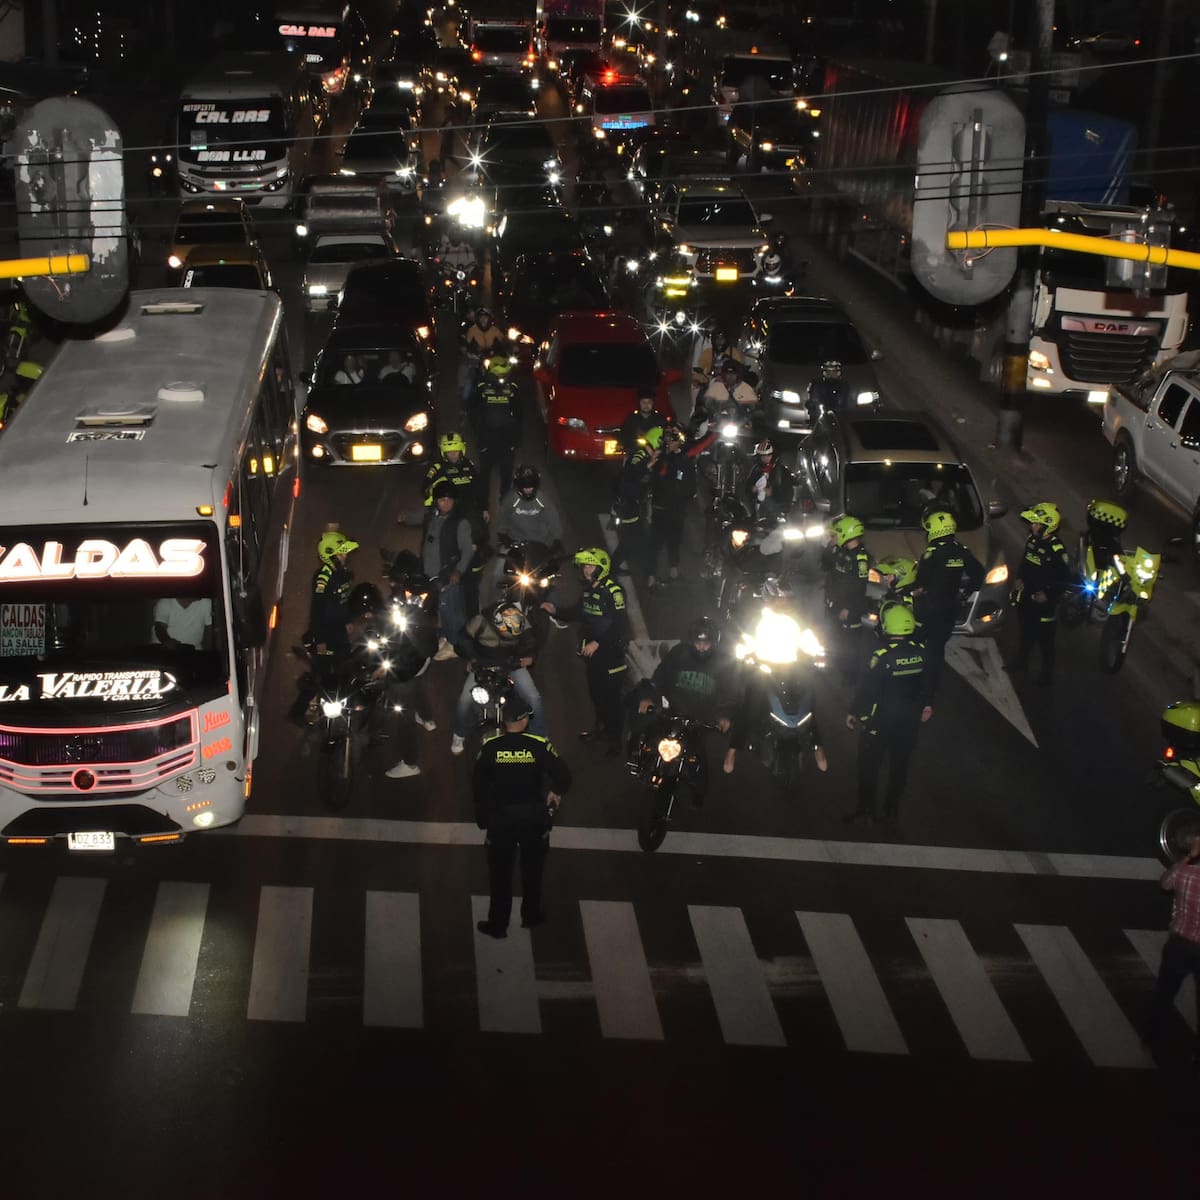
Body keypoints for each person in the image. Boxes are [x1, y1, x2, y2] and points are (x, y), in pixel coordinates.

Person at [473, 685, 572, 939]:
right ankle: (531, 916)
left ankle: (498, 924)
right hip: (534, 818)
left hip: (501, 820)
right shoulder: (539, 745)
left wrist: (483, 818)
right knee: (532, 872)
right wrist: (555, 792)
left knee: (500, 876)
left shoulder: (491, 746)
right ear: (524, 720)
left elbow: (478, 784)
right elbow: (563, 775)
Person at [844, 604, 933, 828]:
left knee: (868, 765)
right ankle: (891, 809)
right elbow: (927, 684)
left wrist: (854, 712)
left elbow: (867, 690)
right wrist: (927, 705)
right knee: (899, 766)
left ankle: (866, 810)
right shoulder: (921, 651)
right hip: (909, 722)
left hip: (880, 721)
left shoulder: (882, 656)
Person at [540, 548, 629, 755]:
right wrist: (556, 610)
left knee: (612, 700)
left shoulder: (613, 590)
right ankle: (600, 729)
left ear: (601, 568)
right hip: (593, 656)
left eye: (590, 566)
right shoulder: (589, 590)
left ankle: (615, 741)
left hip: (611, 656)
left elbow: (619, 624)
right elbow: (578, 612)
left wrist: (598, 642)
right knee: (596, 695)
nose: (587, 570)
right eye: (585, 566)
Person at [635, 616, 740, 781]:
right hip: (673, 711)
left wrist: (723, 715)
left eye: (706, 644)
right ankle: (639, 760)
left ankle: (699, 790)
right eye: (698, 643)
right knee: (648, 734)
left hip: (701, 719)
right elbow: (661, 676)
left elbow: (730, 691)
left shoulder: (723, 663)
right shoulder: (679, 653)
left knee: (699, 757)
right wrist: (648, 697)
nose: (702, 648)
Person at [451, 600, 546, 754]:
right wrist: (472, 659)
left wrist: (530, 657)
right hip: (483, 664)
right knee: (464, 699)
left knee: (533, 697)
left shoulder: (519, 619)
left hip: (511, 663)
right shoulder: (479, 621)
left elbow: (531, 641)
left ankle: (541, 735)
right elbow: (462, 640)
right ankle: (459, 732)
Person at [397, 480, 474, 660]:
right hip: (428, 572)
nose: (445, 503)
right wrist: (404, 517)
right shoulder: (431, 514)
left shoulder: (460, 523)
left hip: (447, 575)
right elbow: (416, 516)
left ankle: (454, 644)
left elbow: (468, 550)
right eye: (441, 500)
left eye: (448, 500)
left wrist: (458, 572)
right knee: (437, 607)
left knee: (450, 610)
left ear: (454, 501)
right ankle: (445, 637)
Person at [1142, 833, 1200, 1070]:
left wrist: (1189, 856)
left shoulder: (1186, 874)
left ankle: (1151, 1039)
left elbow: (1165, 883)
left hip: (1179, 945)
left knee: (1164, 994)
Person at [381, 552, 440, 780]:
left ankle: (410, 761)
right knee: (417, 685)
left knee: (403, 715)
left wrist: (388, 669)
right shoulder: (428, 594)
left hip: (407, 665)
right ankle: (427, 718)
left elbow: (399, 643)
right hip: (421, 663)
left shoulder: (411, 608)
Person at [913, 509, 984, 697]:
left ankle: (916, 683)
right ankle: (931, 688)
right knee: (937, 648)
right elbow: (979, 574)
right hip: (950, 608)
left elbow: (920, 581)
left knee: (916, 643)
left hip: (929, 609)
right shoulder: (961, 550)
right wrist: (964, 594)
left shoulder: (932, 553)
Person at [1012, 501, 1073, 686]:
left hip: (1044, 604)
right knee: (1026, 632)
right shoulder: (1031, 541)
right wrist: (1019, 579)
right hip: (1027, 598)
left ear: (1048, 526)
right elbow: (1025, 564)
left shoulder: (1057, 551)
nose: (1032, 527)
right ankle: (1021, 663)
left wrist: (1048, 595)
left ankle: (1046, 677)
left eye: (1036, 524)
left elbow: (1064, 580)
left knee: (1045, 642)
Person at [489, 464, 566, 607]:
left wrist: (556, 541)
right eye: (525, 487)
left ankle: (556, 611)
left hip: (540, 544)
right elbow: (501, 521)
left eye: (531, 487)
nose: (528, 490)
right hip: (515, 543)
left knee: (551, 579)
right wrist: (504, 536)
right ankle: (495, 607)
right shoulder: (510, 500)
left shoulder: (543, 500)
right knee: (497, 574)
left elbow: (555, 522)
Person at [823, 514, 871, 684]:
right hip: (837, 603)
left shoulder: (860, 558)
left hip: (850, 607)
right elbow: (826, 565)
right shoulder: (842, 552)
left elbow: (858, 586)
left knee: (850, 644)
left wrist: (848, 608)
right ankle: (839, 670)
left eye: (836, 534)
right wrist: (830, 547)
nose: (834, 536)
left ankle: (850, 678)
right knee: (837, 639)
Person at [468, 353, 521, 505]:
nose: (501, 377)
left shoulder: (513, 388)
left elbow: (518, 415)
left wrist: (515, 441)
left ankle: (505, 504)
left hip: (506, 439)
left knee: (506, 474)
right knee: (484, 474)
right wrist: (479, 434)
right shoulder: (482, 387)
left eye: (504, 374)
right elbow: (472, 411)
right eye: (498, 373)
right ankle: (483, 505)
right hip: (487, 438)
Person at [648, 423, 696, 589]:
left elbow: (691, 485)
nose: (671, 442)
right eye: (669, 439)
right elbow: (656, 479)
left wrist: (684, 493)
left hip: (677, 509)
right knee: (655, 543)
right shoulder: (660, 457)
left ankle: (674, 572)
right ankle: (651, 577)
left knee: (674, 541)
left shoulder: (684, 458)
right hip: (660, 508)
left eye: (674, 439)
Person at [611, 423, 662, 578]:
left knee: (629, 540)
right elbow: (631, 474)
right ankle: (649, 575)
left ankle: (613, 568)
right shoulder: (640, 456)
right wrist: (647, 466)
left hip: (634, 504)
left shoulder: (648, 456)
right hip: (628, 505)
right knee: (639, 539)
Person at [460, 307, 506, 406]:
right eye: (481, 317)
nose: (483, 320)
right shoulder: (472, 330)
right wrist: (468, 351)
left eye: (485, 317)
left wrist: (511, 347)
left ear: (489, 318)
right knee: (470, 379)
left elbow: (504, 342)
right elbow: (466, 345)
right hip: (476, 359)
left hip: (493, 359)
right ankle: (464, 405)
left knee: (506, 376)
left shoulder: (495, 330)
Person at [744, 438, 796, 522]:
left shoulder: (782, 471)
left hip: (776, 511)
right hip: (758, 508)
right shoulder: (756, 470)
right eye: (763, 456)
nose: (765, 458)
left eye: (768, 455)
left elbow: (788, 492)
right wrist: (752, 489)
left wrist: (773, 492)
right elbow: (747, 488)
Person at [873, 555, 918, 632]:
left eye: (887, 576)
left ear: (900, 578)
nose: (883, 579)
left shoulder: (899, 603)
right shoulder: (884, 597)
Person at [619, 388, 666, 453]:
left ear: (653, 403)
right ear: (639, 403)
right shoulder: (631, 419)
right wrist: (621, 443)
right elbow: (624, 433)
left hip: (654, 452)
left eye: (649, 402)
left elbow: (665, 436)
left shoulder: (660, 419)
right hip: (635, 451)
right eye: (643, 402)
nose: (646, 405)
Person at [806, 360, 848, 424]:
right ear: (824, 372)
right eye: (828, 371)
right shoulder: (816, 384)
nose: (831, 374)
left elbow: (847, 401)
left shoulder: (844, 385)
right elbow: (812, 400)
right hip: (820, 418)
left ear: (838, 372)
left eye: (833, 371)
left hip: (839, 418)